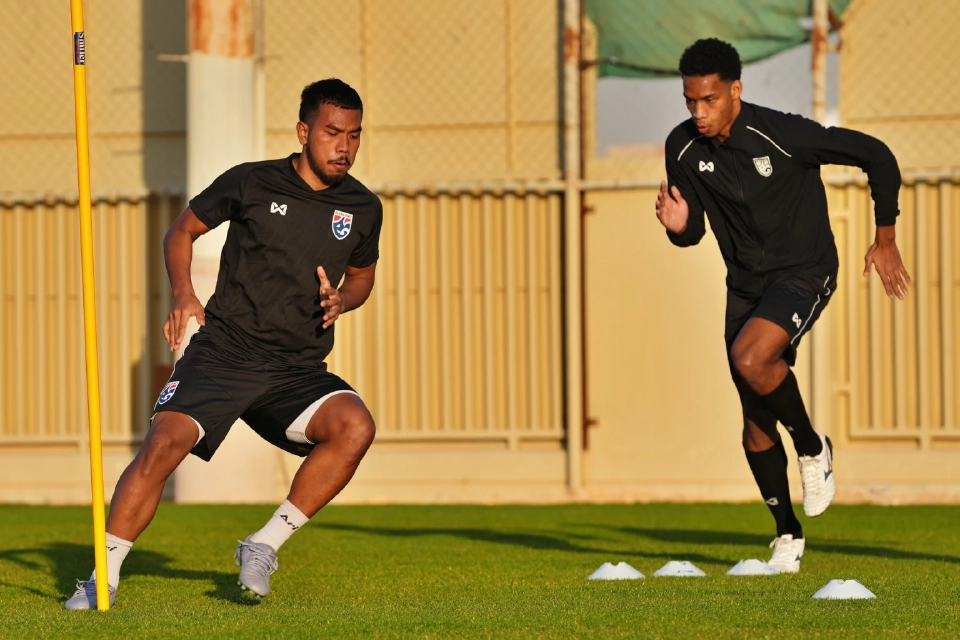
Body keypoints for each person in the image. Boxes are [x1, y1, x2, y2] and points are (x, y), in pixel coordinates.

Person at [67, 78, 383, 608]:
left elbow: (362, 278)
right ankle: (103, 574)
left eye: (354, 135)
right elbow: (181, 231)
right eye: (332, 133)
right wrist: (184, 294)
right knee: (163, 446)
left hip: (296, 370)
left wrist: (343, 301)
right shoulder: (252, 182)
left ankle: (263, 545)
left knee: (356, 427)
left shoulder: (363, 207)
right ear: (304, 131)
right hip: (224, 354)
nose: (344, 146)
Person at [655, 39, 910, 573]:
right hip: (746, 286)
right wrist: (680, 230)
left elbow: (876, 155)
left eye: (709, 99)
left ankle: (813, 446)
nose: (698, 112)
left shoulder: (783, 133)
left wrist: (884, 235)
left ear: (735, 91)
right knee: (753, 420)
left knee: (751, 359)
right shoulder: (681, 148)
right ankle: (787, 536)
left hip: (804, 272)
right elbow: (694, 229)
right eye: (690, 101)